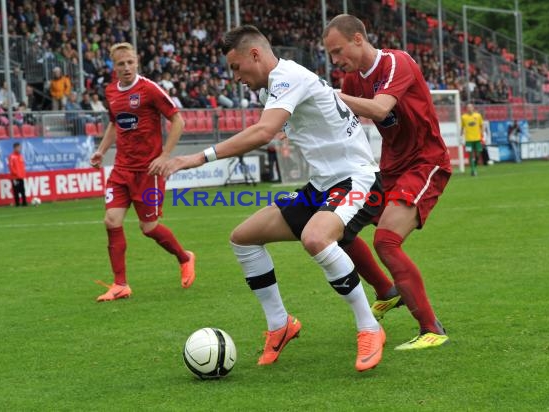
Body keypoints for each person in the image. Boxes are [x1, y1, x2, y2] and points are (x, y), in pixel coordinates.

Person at [161, 25, 385, 372]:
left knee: (315, 238)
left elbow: (263, 132)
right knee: (244, 238)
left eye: (236, 68)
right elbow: (266, 130)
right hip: (323, 185)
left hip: (357, 178)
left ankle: (370, 327)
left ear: (255, 55)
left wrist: (196, 157)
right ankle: (280, 325)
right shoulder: (273, 89)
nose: (235, 77)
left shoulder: (287, 75)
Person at [323, 14, 450, 350]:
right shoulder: (352, 81)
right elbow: (342, 126)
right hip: (388, 169)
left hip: (425, 163)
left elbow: (380, 110)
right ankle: (387, 292)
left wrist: (330, 95)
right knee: (339, 230)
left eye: (338, 52)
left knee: (386, 242)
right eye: (331, 56)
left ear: (358, 39)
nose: (336, 61)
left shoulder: (397, 62)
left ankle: (432, 329)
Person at [89, 42, 195, 302]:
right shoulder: (111, 91)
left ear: (137, 62)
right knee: (111, 221)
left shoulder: (149, 89)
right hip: (121, 170)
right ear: (113, 67)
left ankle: (184, 257)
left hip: (148, 171)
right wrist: (101, 151)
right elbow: (114, 124)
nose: (126, 67)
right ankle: (120, 284)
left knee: (148, 227)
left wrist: (165, 155)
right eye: (120, 63)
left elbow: (178, 120)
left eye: (130, 62)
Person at [461, 103, 484, 176]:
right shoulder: (463, 117)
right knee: (470, 155)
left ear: (473, 108)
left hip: (477, 138)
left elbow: (481, 125)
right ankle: (473, 170)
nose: (469, 108)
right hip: (468, 140)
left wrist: (482, 133)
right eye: (468, 107)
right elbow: (462, 127)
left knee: (478, 153)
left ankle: (475, 165)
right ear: (466, 109)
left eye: (470, 107)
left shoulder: (478, 115)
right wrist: (461, 135)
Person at [8, 142, 27, 207]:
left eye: (20, 148)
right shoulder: (11, 156)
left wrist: (23, 174)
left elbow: (22, 166)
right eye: (19, 147)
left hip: (21, 176)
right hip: (15, 177)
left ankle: (24, 203)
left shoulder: (20, 156)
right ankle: (17, 203)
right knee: (16, 190)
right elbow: (11, 166)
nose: (20, 149)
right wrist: (15, 173)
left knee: (22, 190)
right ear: (15, 148)